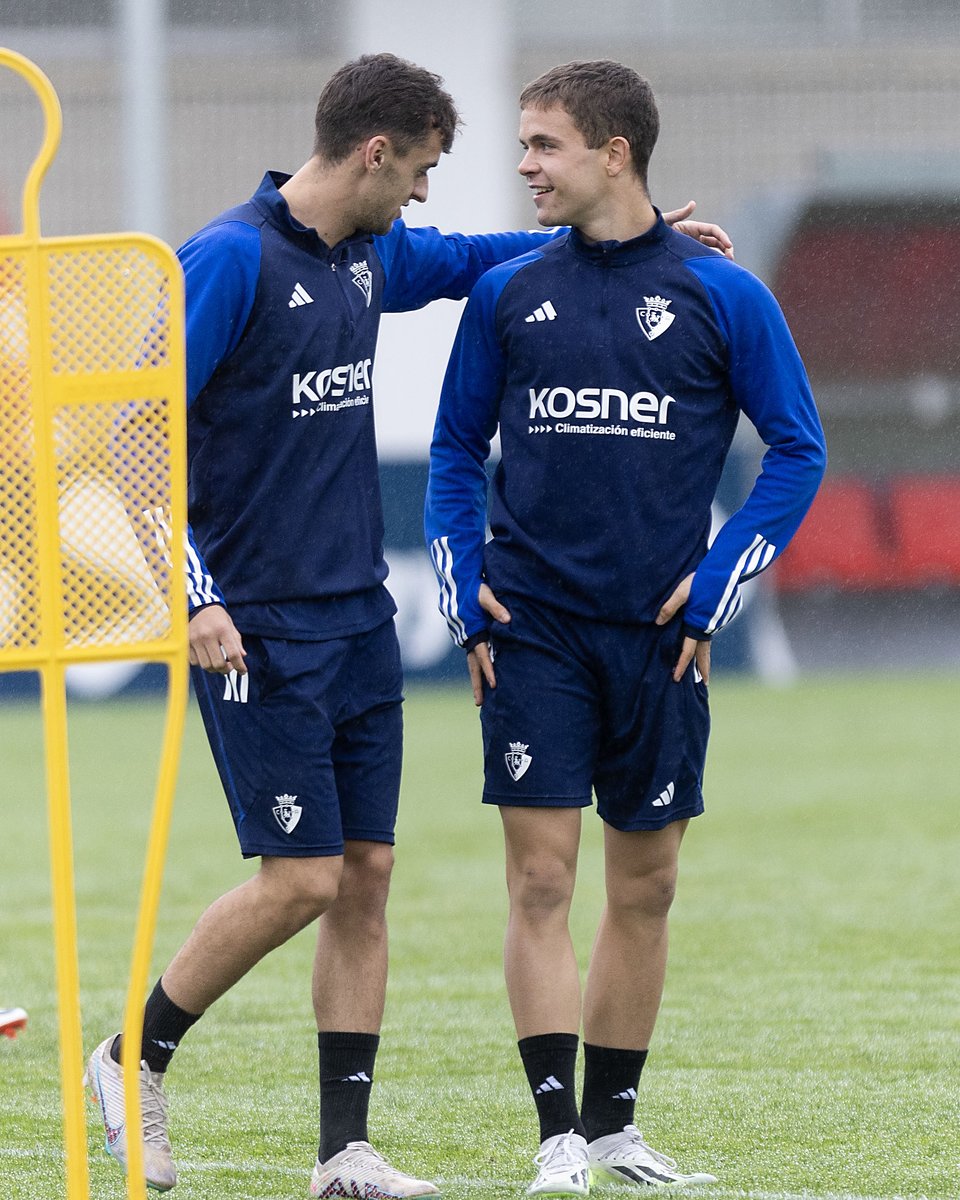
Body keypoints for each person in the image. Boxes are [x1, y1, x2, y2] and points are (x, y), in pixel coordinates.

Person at [84, 52, 731, 1198]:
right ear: (376, 154)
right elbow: (136, 436)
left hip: (357, 622)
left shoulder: (369, 254)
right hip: (258, 626)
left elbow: (486, 260)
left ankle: (344, 1154)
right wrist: (193, 594)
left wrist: (644, 240)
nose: (429, 194)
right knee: (302, 880)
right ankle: (131, 1057)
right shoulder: (228, 262)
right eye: (426, 169)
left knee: (367, 873)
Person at [425, 59, 826, 1196]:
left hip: (661, 638)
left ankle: (614, 1131)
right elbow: (454, 451)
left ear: (615, 152)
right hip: (534, 629)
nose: (523, 166)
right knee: (541, 882)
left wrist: (715, 586)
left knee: (644, 886)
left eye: (543, 145)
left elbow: (799, 449)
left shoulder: (725, 295)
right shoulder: (513, 294)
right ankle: (556, 1137)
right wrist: (463, 589)